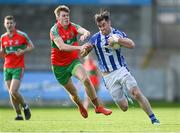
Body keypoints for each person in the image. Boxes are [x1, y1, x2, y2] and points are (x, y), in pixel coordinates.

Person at [81, 9, 160, 125]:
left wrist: (118, 40)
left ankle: (153, 119)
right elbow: (82, 54)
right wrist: (85, 50)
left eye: (104, 25)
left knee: (136, 93)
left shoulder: (117, 34)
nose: (102, 28)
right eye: (99, 26)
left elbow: (132, 44)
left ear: (109, 23)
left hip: (121, 70)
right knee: (124, 107)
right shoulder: (95, 39)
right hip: (108, 77)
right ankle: (125, 95)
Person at [49, 5, 112, 118]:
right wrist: (79, 47)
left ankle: (98, 107)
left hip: (73, 61)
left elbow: (84, 30)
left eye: (67, 15)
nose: (66, 18)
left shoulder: (72, 26)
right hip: (59, 67)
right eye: (63, 16)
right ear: (58, 18)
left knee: (86, 80)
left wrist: (85, 34)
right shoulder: (54, 30)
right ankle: (80, 105)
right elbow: (61, 46)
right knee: (73, 93)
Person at [0, 15, 34, 120]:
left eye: (11, 23)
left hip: (18, 66)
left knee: (13, 91)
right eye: (7, 23)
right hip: (7, 67)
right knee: (11, 93)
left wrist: (23, 51)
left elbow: (31, 47)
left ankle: (25, 106)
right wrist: (2, 52)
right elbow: (3, 52)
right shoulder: (3, 37)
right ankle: (19, 115)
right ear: (4, 24)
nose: (9, 25)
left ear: (14, 24)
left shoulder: (22, 35)